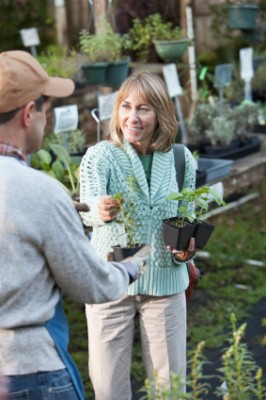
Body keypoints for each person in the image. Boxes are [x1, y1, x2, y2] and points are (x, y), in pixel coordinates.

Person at [0, 50, 149, 400]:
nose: (46, 121)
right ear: (28, 114)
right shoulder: (41, 192)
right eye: (46, 111)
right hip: (30, 372)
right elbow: (89, 284)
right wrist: (130, 267)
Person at [79, 71, 197, 399]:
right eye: (126, 106)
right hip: (111, 284)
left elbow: (187, 218)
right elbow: (88, 205)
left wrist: (187, 251)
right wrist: (99, 210)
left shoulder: (179, 158)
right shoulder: (100, 156)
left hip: (165, 286)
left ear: (161, 113)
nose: (132, 117)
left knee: (170, 390)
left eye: (144, 108)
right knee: (110, 390)